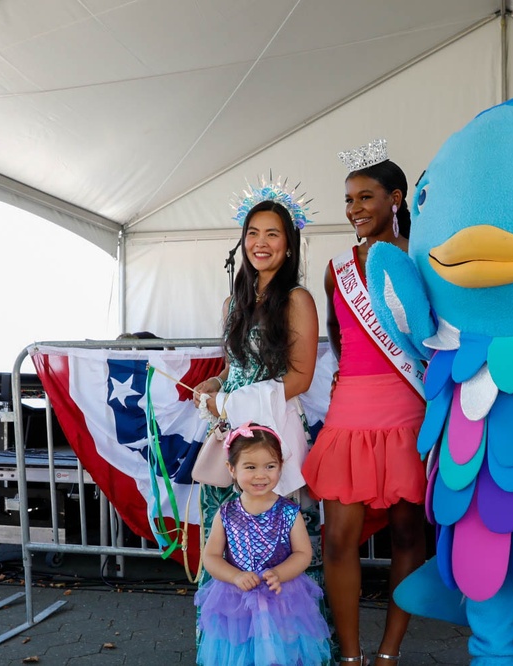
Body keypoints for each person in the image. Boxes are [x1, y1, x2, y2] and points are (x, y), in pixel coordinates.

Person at [302, 140, 428, 665]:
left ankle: (388, 654)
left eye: (365, 197)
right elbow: (337, 335)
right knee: (338, 540)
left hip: (407, 405)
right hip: (352, 408)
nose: (354, 208)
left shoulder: (423, 260)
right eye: (349, 199)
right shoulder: (337, 270)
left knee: (407, 536)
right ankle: (351, 656)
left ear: (395, 198)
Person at [191, 181, 326, 659]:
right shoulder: (234, 303)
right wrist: (215, 386)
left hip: (273, 442)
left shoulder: (297, 300)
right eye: (253, 232)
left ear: (289, 245)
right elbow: (235, 367)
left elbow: (301, 376)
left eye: (273, 234)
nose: (261, 243)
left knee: (279, 556)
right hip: (232, 448)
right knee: (225, 553)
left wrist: (233, 404)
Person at [195, 424, 332, 665]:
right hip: (237, 600)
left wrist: (280, 573)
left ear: (281, 466)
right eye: (250, 467)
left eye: (270, 466)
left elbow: (302, 553)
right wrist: (236, 576)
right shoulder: (226, 513)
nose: (261, 475)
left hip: (282, 598)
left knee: (283, 651)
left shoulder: (289, 512)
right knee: (239, 653)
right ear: (232, 469)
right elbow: (212, 557)